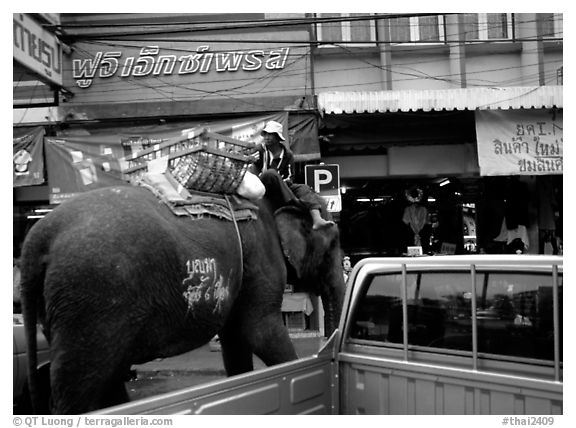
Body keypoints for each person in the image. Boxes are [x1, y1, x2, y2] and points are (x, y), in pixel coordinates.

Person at [252, 120, 334, 230]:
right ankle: (292, 202)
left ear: (277, 137)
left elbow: (290, 177)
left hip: (283, 186)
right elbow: (253, 168)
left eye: (270, 134)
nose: (266, 137)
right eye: (265, 134)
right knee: (271, 173)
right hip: (263, 184)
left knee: (303, 188)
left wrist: (281, 182)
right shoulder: (260, 150)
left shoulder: (288, 154)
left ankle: (317, 219)